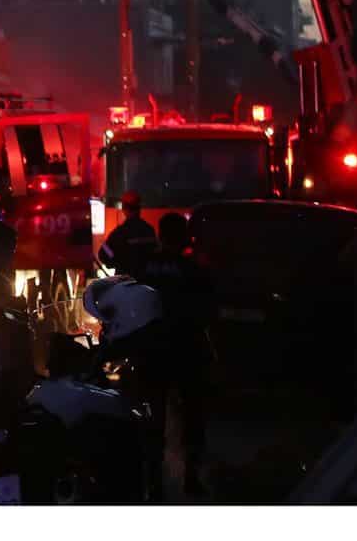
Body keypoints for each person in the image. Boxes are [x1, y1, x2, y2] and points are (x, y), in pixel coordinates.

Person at [142, 212, 217, 498]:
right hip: (187, 352)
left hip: (154, 353)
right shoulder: (193, 268)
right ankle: (191, 479)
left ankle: (153, 483)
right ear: (184, 237)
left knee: (153, 419)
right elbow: (209, 311)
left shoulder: (145, 267)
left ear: (160, 235)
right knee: (192, 417)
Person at [98, 191, 159, 279]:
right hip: (146, 281)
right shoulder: (149, 231)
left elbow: (103, 253)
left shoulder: (119, 233)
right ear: (139, 208)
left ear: (124, 208)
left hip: (125, 281)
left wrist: (115, 261)